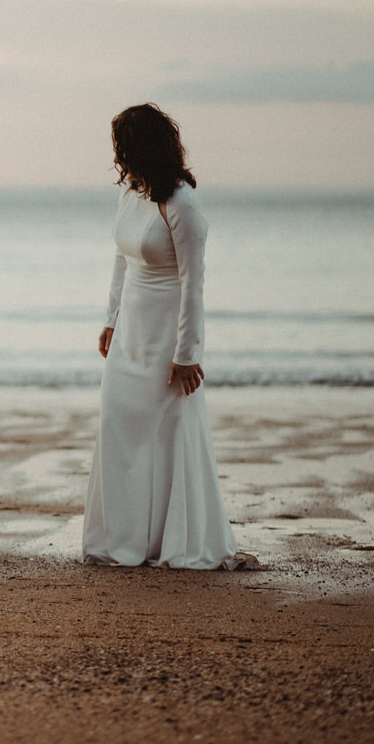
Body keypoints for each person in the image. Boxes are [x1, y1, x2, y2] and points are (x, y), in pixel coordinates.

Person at [83, 104, 253, 569]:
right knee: (120, 428)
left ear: (145, 147)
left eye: (125, 146)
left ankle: (172, 541)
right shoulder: (132, 193)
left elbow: (193, 285)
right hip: (129, 336)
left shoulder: (182, 205)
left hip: (166, 338)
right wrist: (111, 320)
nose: (119, 156)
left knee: (167, 435)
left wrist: (187, 353)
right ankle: (123, 539)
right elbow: (121, 260)